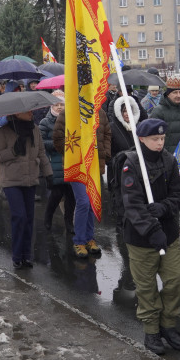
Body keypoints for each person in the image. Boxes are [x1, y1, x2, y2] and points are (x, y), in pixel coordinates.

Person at [120, 118, 180, 355]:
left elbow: (179, 193)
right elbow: (133, 205)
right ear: (141, 139)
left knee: (176, 280)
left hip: (168, 234)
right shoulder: (131, 165)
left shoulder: (169, 160)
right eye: (154, 139)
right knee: (146, 287)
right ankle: (151, 330)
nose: (159, 143)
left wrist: (165, 207)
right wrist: (152, 229)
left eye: (161, 139)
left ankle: (168, 324)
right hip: (141, 239)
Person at [0, 111, 52, 268]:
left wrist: (49, 174)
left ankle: (27, 255)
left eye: (32, 111)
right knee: (19, 216)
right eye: (27, 112)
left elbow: (41, 153)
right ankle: (17, 255)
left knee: (29, 218)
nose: (31, 113)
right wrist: (12, 151)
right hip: (11, 180)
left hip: (30, 179)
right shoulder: (3, 131)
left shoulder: (35, 129)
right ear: (17, 113)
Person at [53, 105, 111, 258]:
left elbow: (106, 134)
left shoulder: (100, 112)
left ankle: (89, 238)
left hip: (95, 165)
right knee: (83, 202)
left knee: (92, 202)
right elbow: (58, 138)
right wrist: (71, 152)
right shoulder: (68, 112)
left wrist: (105, 153)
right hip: (77, 166)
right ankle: (79, 240)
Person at [40, 92, 75, 233]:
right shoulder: (45, 122)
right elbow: (41, 143)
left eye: (62, 104)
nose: (59, 107)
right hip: (54, 162)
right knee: (56, 194)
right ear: (51, 106)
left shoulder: (71, 119)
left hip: (70, 161)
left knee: (71, 195)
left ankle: (69, 222)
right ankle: (48, 216)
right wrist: (58, 144)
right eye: (56, 105)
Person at [149, 77, 180, 154]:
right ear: (168, 94)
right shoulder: (158, 111)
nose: (178, 95)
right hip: (166, 156)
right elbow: (153, 136)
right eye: (175, 92)